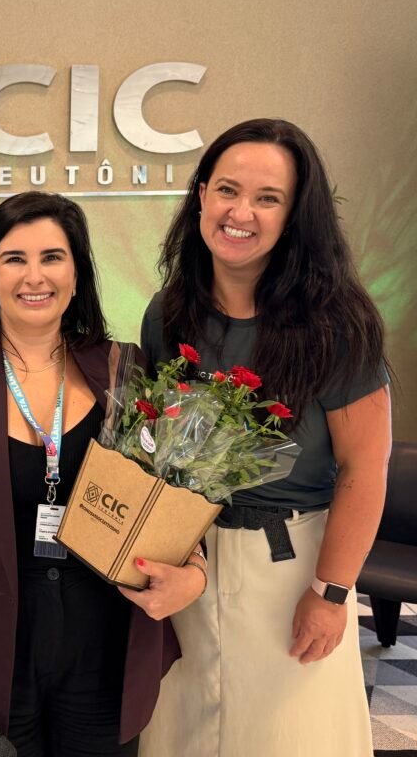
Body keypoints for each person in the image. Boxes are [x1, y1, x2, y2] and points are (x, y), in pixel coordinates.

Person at [0, 191, 207, 757]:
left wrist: (194, 572)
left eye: (52, 257)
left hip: (103, 639)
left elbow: (170, 492)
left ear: (76, 275)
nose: (35, 276)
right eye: (15, 259)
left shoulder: (123, 368)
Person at [137, 118, 392, 756]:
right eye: (227, 190)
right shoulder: (169, 312)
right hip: (191, 560)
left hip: (293, 568)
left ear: (295, 215)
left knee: (289, 738)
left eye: (267, 198)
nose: (240, 212)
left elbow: (365, 467)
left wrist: (330, 593)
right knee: (183, 733)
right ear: (201, 196)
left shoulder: (338, 326)